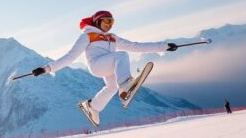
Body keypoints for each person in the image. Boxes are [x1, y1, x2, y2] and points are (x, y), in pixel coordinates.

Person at [30, 10, 178, 125]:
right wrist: (46, 68)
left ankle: (92, 107)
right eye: (106, 21)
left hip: (110, 65)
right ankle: (126, 84)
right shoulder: (88, 36)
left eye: (111, 22)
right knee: (122, 55)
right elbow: (70, 56)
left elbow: (136, 46)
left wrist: (164, 47)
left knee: (113, 86)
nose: (109, 25)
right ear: (97, 21)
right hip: (97, 65)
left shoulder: (112, 37)